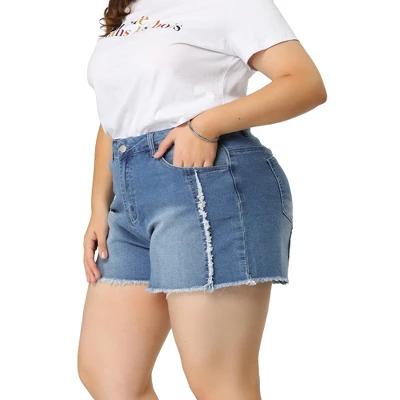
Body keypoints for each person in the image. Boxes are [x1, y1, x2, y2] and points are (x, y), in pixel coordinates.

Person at [77, 0, 327, 398]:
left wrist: (206, 125)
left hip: (208, 185)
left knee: (219, 382)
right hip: (128, 201)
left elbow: (304, 82)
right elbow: (115, 117)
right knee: (110, 378)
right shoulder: (130, 10)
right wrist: (98, 207)